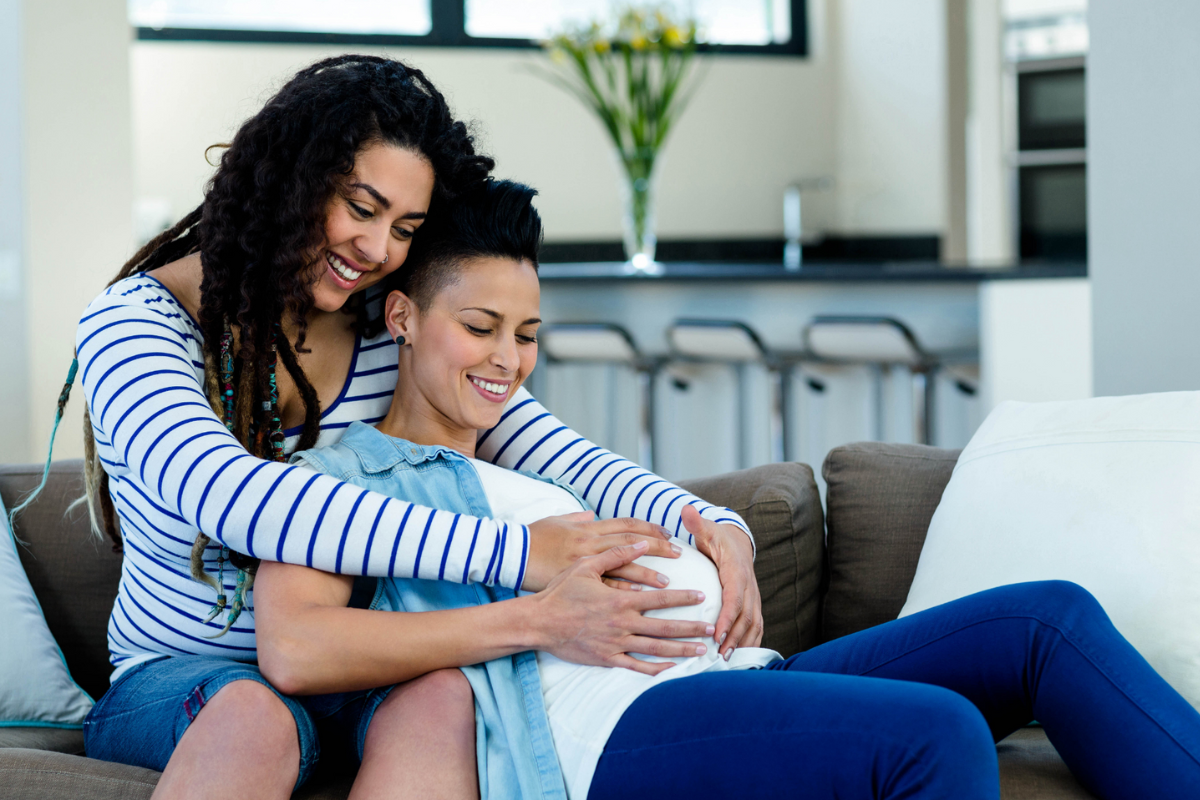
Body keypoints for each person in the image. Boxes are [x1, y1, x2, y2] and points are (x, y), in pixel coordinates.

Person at [258, 177, 1200, 800]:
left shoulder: (530, 451)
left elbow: (667, 501)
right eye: (481, 325)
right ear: (403, 316)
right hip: (608, 728)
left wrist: (721, 531)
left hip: (734, 679)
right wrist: (538, 620)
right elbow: (299, 646)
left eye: (529, 331)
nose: (509, 358)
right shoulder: (344, 478)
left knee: (1046, 620)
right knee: (939, 734)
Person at [59, 55, 761, 799]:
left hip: (362, 664)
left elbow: (557, 452)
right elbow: (233, 497)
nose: (378, 250)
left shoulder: (381, 326)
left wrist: (710, 523)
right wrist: (521, 556)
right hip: (187, 680)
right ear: (289, 176)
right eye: (361, 208)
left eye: (405, 228)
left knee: (445, 699)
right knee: (254, 712)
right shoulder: (135, 325)